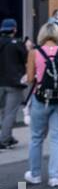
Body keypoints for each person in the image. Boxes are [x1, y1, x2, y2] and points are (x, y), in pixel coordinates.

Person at [23, 21, 58, 186]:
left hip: (41, 99)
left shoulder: (34, 53)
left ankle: (35, 173)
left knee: (37, 137)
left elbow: (31, 78)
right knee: (57, 137)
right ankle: (54, 177)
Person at [0, 18, 25, 150]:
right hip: (14, 82)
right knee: (10, 112)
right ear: (14, 29)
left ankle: (7, 136)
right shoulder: (17, 43)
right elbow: (25, 59)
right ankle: (4, 140)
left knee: (4, 111)